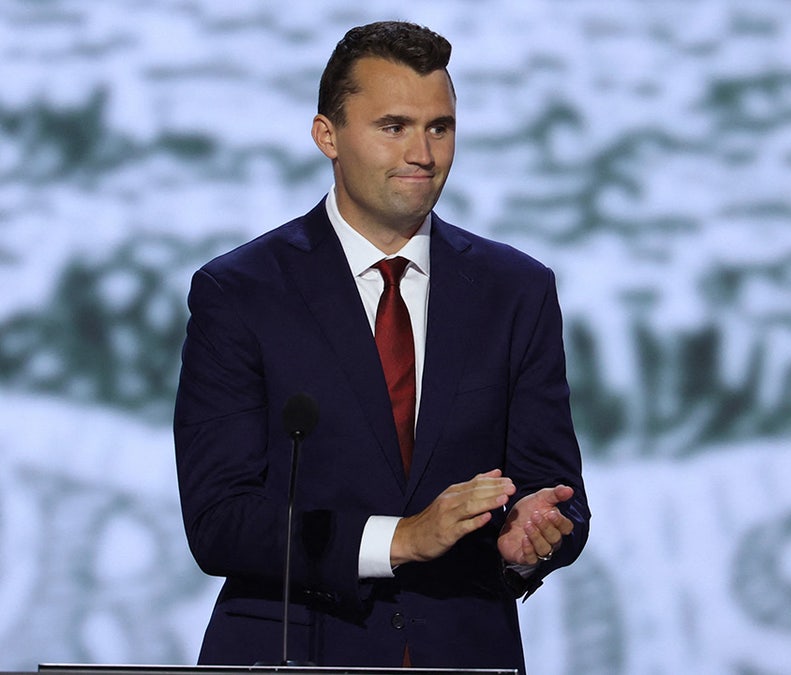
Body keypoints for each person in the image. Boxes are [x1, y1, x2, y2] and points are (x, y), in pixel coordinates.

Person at [173, 20, 589, 673]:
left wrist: (532, 535)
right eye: (393, 126)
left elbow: (554, 486)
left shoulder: (517, 290)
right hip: (295, 652)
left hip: (465, 651)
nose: (422, 152)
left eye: (440, 127)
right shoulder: (241, 291)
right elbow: (220, 519)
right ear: (327, 136)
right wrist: (400, 538)